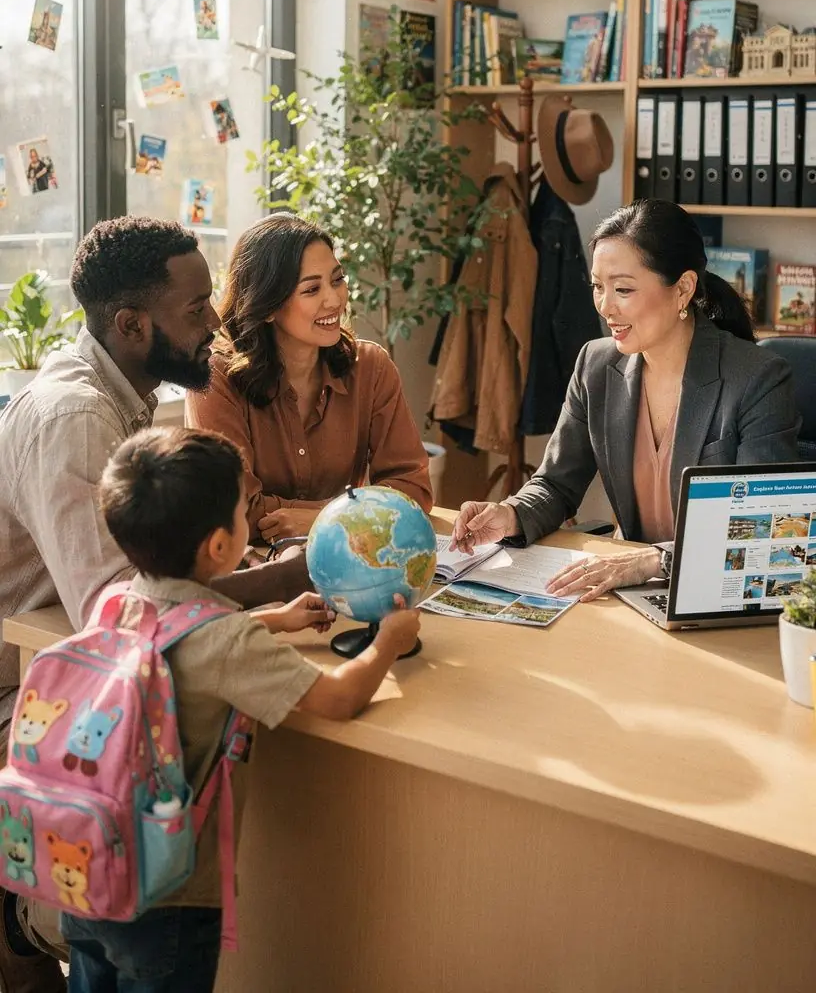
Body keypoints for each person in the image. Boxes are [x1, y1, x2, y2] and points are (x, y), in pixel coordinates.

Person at [0, 216, 312, 992]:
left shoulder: (122, 391)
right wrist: (280, 581)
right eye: (197, 308)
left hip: (66, 666)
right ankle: (29, 918)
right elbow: (119, 605)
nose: (216, 324)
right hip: (27, 690)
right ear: (132, 325)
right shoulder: (76, 416)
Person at [61, 425, 419, 992]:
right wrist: (389, 642)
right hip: (168, 900)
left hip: (86, 871)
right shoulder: (228, 642)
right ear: (220, 546)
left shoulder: (117, 601)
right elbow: (339, 699)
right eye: (242, 509)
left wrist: (273, 618)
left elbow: (178, 633)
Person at [451, 200, 800, 602]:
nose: (605, 306)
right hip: (630, 591)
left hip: (717, 594)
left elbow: (759, 529)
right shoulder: (596, 365)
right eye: (598, 287)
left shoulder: (758, 378)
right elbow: (556, 484)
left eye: (623, 290)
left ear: (683, 288)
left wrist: (653, 561)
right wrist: (511, 514)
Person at [187, 212, 432, 544]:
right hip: (253, 565)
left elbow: (412, 489)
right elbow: (234, 512)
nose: (335, 299)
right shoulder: (216, 380)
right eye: (312, 289)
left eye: (338, 279)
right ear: (268, 305)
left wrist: (322, 517)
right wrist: (357, 510)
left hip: (346, 555)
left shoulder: (371, 367)